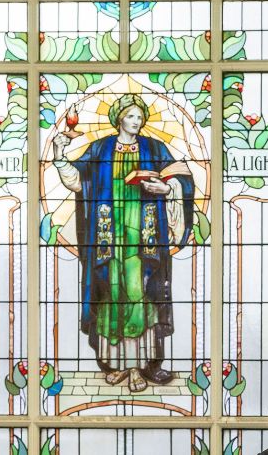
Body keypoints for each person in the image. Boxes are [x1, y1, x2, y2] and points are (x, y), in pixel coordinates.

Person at [50, 93, 195, 393]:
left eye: (140, 117)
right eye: (131, 116)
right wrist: (59, 156)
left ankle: (139, 366)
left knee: (139, 293)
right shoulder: (101, 148)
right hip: (107, 237)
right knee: (110, 295)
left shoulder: (154, 148)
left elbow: (182, 177)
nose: (137, 121)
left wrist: (166, 188)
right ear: (119, 119)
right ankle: (115, 365)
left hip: (144, 239)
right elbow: (78, 182)